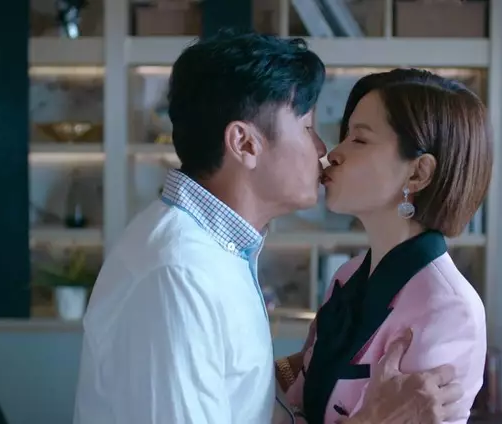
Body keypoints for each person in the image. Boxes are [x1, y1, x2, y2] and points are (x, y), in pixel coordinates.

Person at [73, 31, 464, 424]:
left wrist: (303, 369)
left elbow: (233, 395)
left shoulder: (218, 249)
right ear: (244, 143)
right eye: (307, 128)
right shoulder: (179, 274)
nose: (323, 150)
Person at [277, 69, 493, 424]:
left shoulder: (448, 308)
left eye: (359, 140)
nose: (334, 153)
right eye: (346, 136)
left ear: (418, 173)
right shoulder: (348, 276)